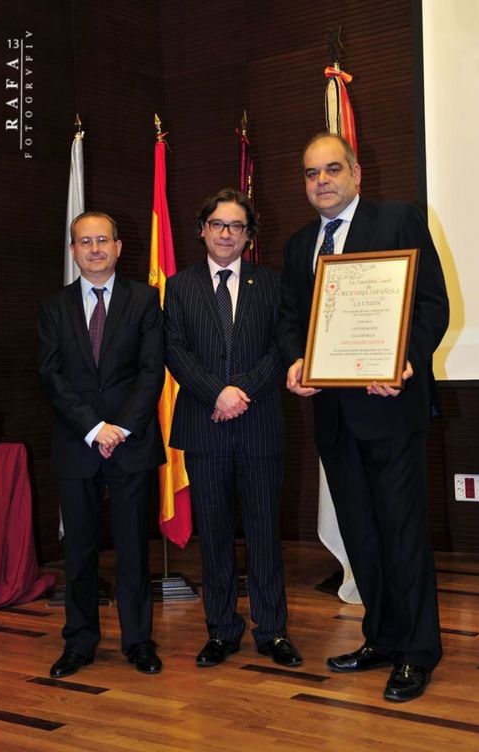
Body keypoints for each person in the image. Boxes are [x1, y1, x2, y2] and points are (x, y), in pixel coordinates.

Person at [276, 133, 449, 701]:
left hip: (390, 406)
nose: (321, 181)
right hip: (334, 416)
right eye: (311, 173)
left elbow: (432, 305)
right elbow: (291, 321)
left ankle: (417, 652)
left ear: (356, 173)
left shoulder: (398, 220)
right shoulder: (300, 246)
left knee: (402, 534)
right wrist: (296, 360)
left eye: (332, 169)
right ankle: (383, 637)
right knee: (362, 536)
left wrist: (405, 359)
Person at [164, 188, 301, 668]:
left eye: (236, 226)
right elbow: (175, 350)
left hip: (259, 424)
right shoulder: (178, 287)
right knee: (215, 534)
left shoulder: (272, 284)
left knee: (264, 532)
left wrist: (240, 392)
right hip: (204, 426)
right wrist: (216, 393)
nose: (226, 234)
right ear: (202, 230)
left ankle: (273, 630)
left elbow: (283, 347)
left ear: (248, 235)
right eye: (217, 224)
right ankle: (221, 629)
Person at [38, 211, 166, 678]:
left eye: (102, 240)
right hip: (78, 443)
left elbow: (152, 371)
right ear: (73, 250)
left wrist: (121, 428)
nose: (94, 249)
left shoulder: (145, 299)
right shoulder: (53, 306)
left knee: (133, 549)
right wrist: (94, 428)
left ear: (118, 246)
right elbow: (51, 376)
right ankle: (79, 642)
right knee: (80, 552)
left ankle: (138, 642)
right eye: (85, 242)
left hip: (132, 443)